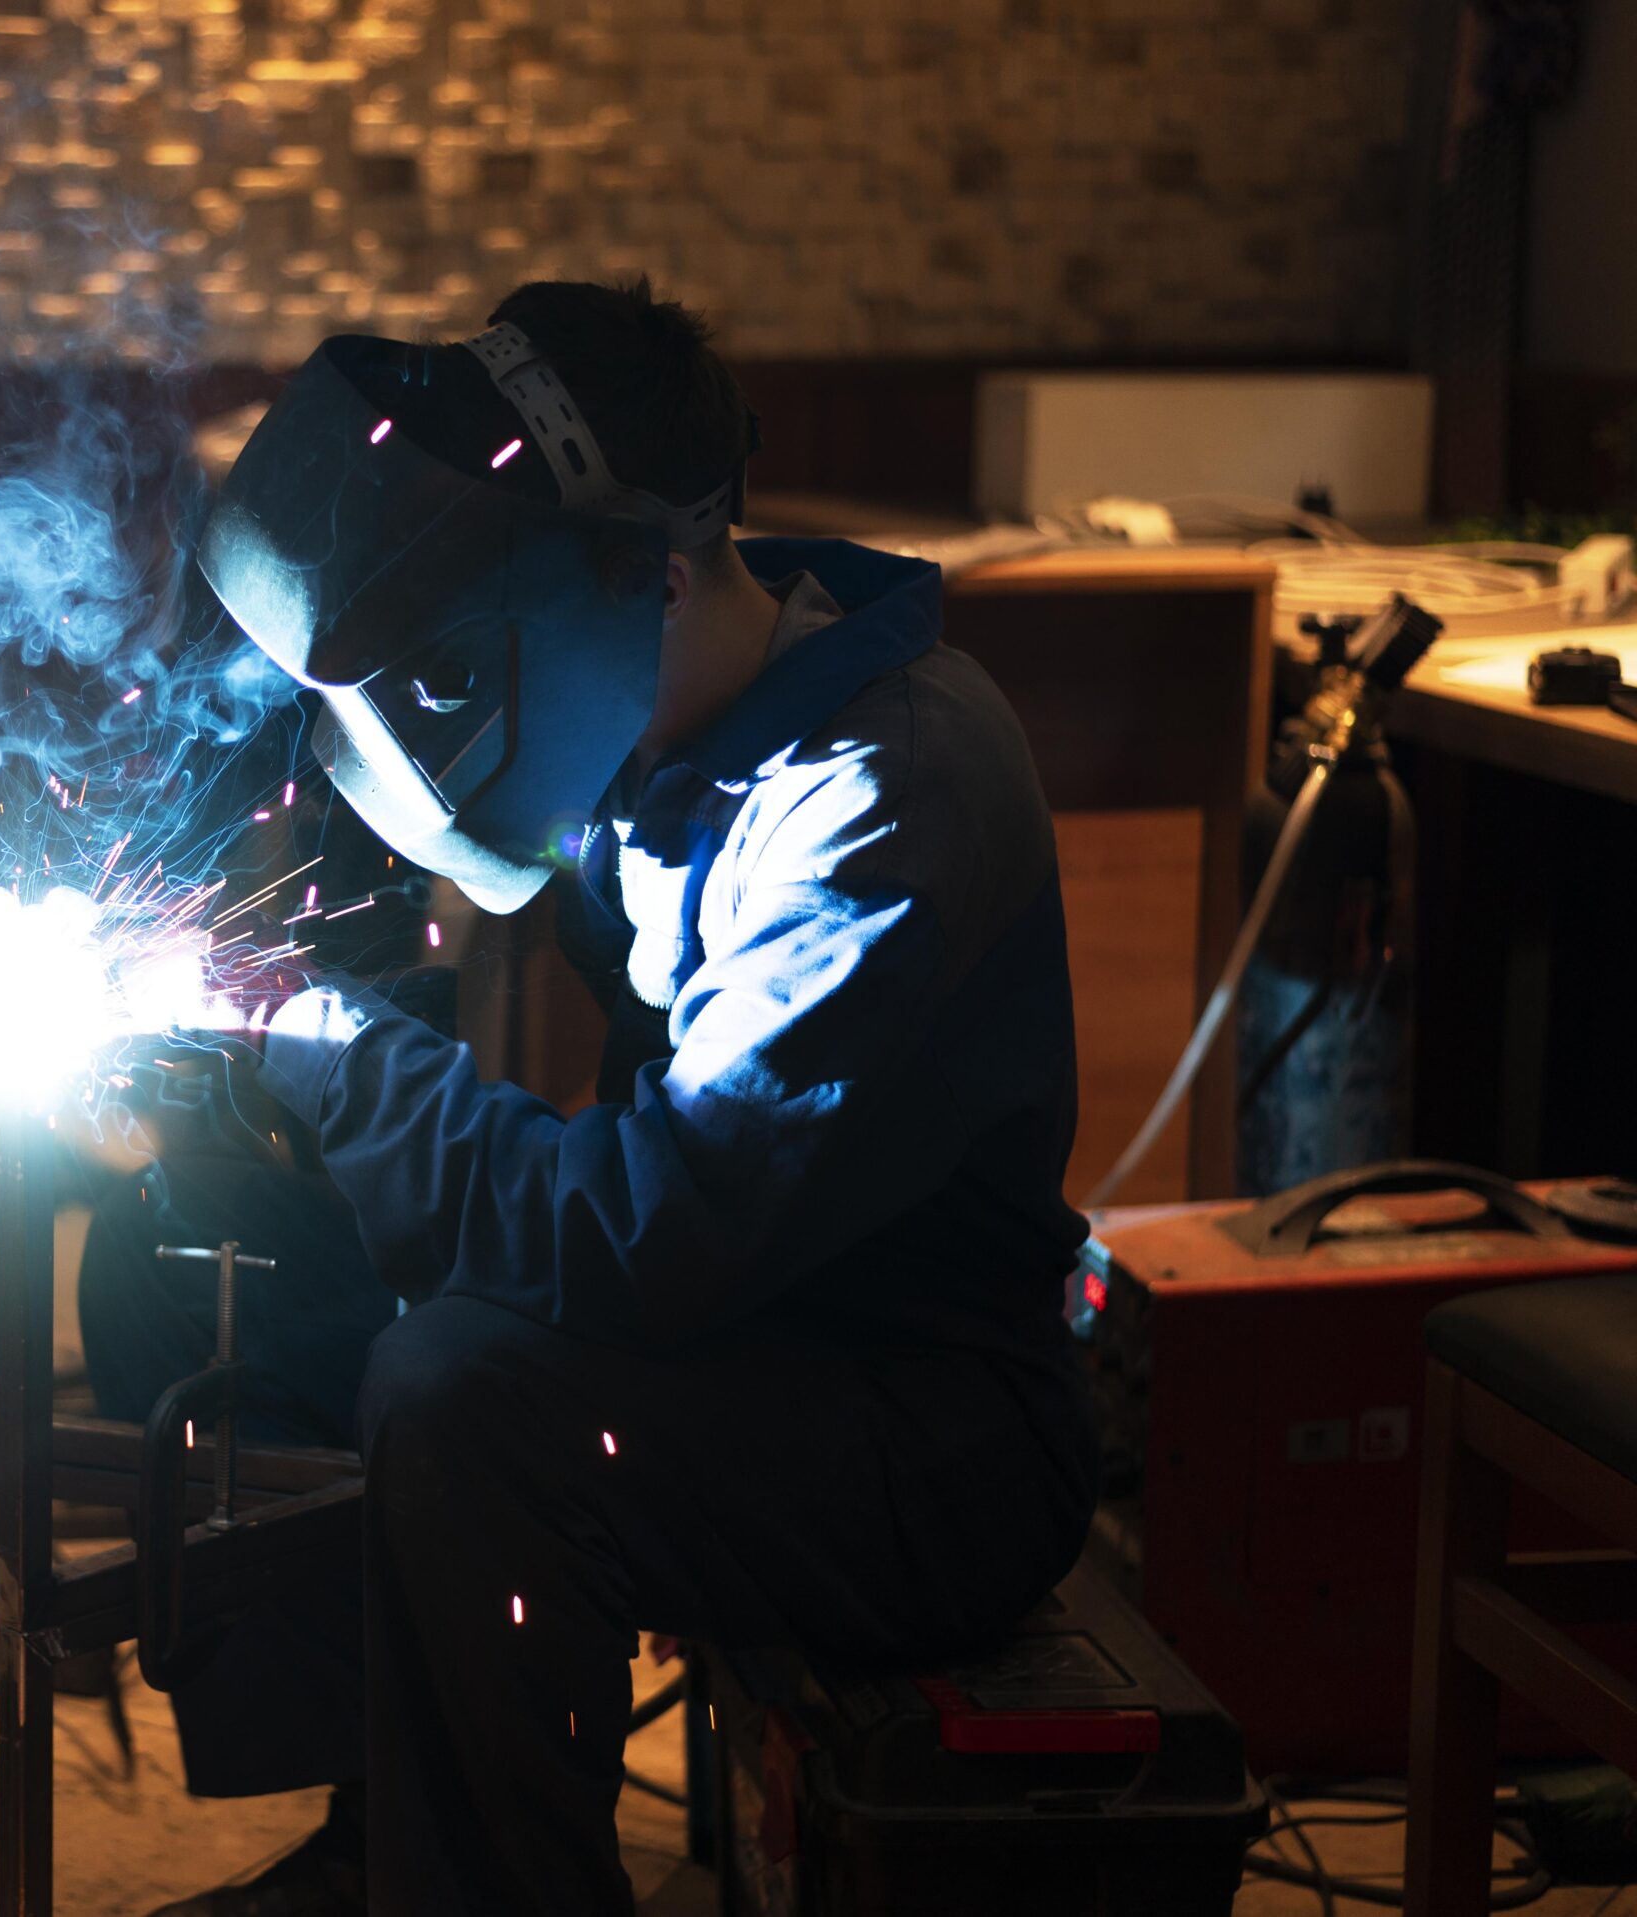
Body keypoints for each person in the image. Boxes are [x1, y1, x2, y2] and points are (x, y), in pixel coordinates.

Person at [80, 278, 1101, 1916]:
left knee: (462, 1393)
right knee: (185, 1251)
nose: (436, 703)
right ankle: (385, 1833)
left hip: (921, 1433)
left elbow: (641, 1233)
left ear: (654, 575)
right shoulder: (649, 732)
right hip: (728, 1328)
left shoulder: (881, 803)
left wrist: (323, 1041)